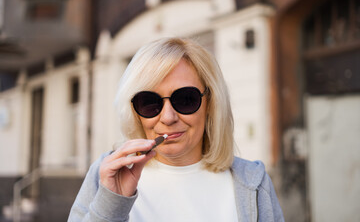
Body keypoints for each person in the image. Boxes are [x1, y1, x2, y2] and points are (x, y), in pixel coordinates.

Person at [68, 37, 284, 222]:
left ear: (211, 103)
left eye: (185, 99)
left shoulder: (252, 182)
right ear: (135, 112)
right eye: (149, 103)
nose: (168, 117)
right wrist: (110, 206)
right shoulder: (107, 174)